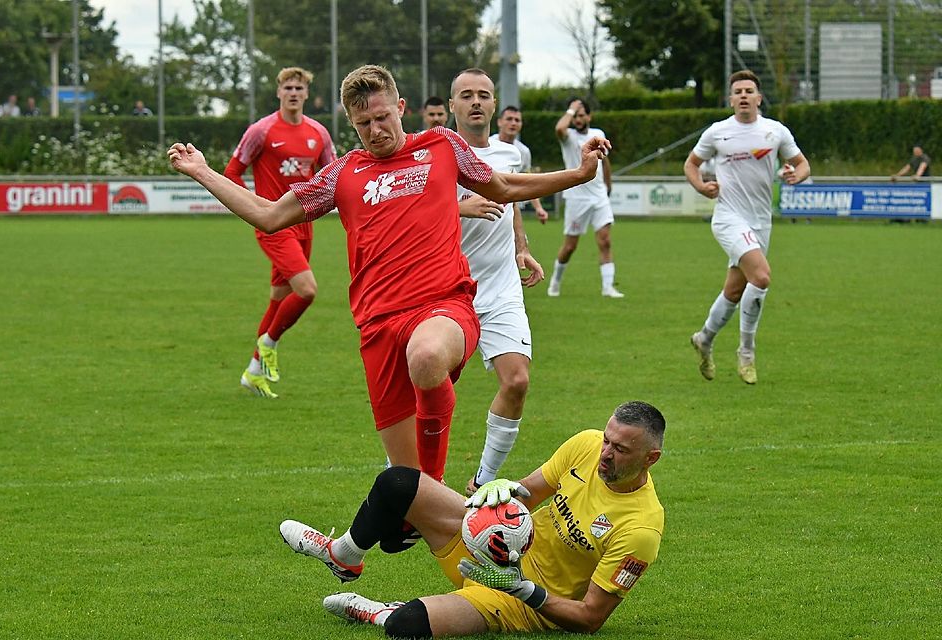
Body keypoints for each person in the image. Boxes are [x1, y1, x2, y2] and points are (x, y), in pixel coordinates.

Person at [168, 64, 611, 483]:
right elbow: (268, 215)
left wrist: (578, 174)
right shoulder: (342, 172)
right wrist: (203, 171)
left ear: (400, 108)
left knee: (428, 360)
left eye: (383, 117)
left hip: (443, 305)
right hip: (377, 325)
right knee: (404, 485)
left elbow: (505, 186)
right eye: (364, 124)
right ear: (351, 123)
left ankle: (448, 484)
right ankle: (363, 543)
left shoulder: (440, 145)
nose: (376, 130)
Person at [279, 400, 665, 638]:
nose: (605, 453)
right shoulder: (585, 444)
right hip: (491, 545)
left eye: (620, 449)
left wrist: (522, 590)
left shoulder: (641, 529)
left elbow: (590, 618)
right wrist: (500, 490)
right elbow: (527, 494)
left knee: (407, 626)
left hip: (524, 602)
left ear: (650, 458)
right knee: (397, 482)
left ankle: (378, 610)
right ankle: (344, 554)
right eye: (606, 440)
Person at [448, 70, 545, 496]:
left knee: (517, 381)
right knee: (432, 391)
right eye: (465, 95)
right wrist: (461, 209)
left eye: (483, 95)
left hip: (502, 287)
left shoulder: (509, 154)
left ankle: (482, 483)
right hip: (450, 289)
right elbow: (415, 216)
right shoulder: (434, 154)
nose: (475, 102)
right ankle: (402, 474)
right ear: (452, 105)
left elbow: (510, 200)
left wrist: (521, 246)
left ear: (493, 105)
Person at [684, 69, 811, 385]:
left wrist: (799, 175)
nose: (743, 95)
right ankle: (747, 353)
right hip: (728, 218)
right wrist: (701, 187)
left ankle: (705, 338)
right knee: (762, 276)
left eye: (748, 90)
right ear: (730, 99)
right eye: (737, 91)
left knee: (736, 289)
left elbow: (802, 163)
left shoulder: (775, 131)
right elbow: (691, 165)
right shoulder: (717, 132)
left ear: (758, 97)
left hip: (761, 221)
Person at [223, 67, 337, 399]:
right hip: (274, 224)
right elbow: (232, 172)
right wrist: (255, 209)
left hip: (304, 224)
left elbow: (332, 174)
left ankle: (253, 371)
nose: (293, 92)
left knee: (279, 300)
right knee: (307, 290)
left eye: (299, 88)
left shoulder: (319, 132)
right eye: (287, 87)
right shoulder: (261, 130)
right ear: (278, 93)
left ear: (305, 93)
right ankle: (269, 344)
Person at [547, 99, 625, 299]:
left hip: (599, 196)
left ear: (589, 117)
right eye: (576, 116)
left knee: (605, 241)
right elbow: (559, 127)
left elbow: (605, 161)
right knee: (570, 246)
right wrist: (571, 109)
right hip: (576, 197)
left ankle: (608, 287)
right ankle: (555, 281)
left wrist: (608, 185)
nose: (579, 119)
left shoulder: (598, 134)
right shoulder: (568, 136)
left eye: (582, 115)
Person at [490, 105, 550, 223]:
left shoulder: (523, 151)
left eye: (517, 120)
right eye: (509, 119)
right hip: (489, 207)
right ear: (499, 122)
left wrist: (538, 208)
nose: (513, 123)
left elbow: (528, 180)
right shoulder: (488, 144)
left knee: (520, 241)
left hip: (513, 210)